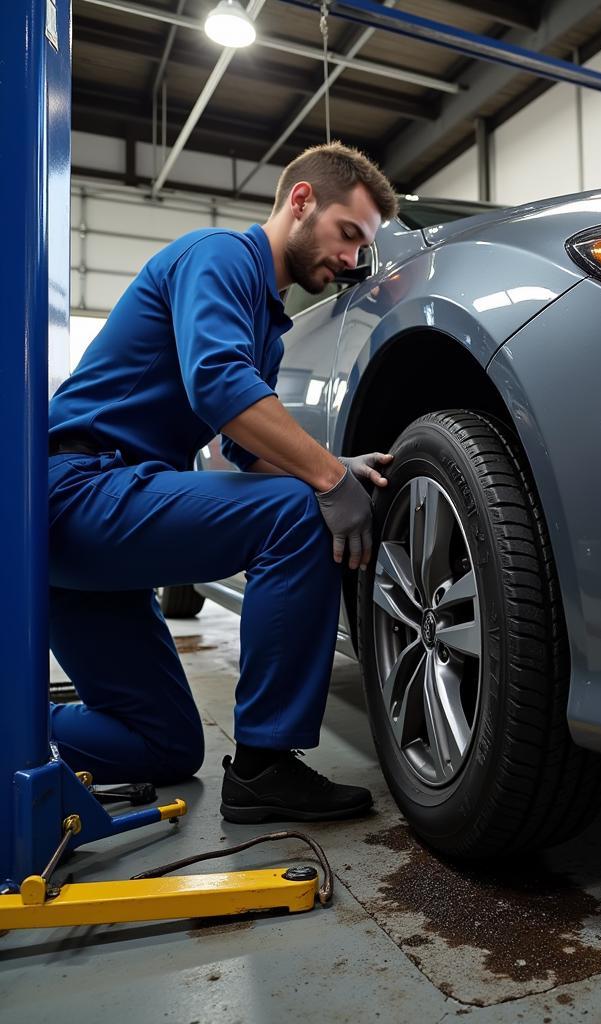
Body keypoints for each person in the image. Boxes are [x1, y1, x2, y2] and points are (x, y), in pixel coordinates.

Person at [47, 142, 400, 823]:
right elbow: (216, 384)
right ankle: (266, 766)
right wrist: (327, 480)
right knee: (299, 512)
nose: (354, 260)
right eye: (348, 234)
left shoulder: (264, 325)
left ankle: (21, 733)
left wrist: (336, 465)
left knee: (164, 746)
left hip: (90, 532)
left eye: (363, 247)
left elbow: (242, 444)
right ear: (301, 201)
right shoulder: (220, 255)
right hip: (78, 490)